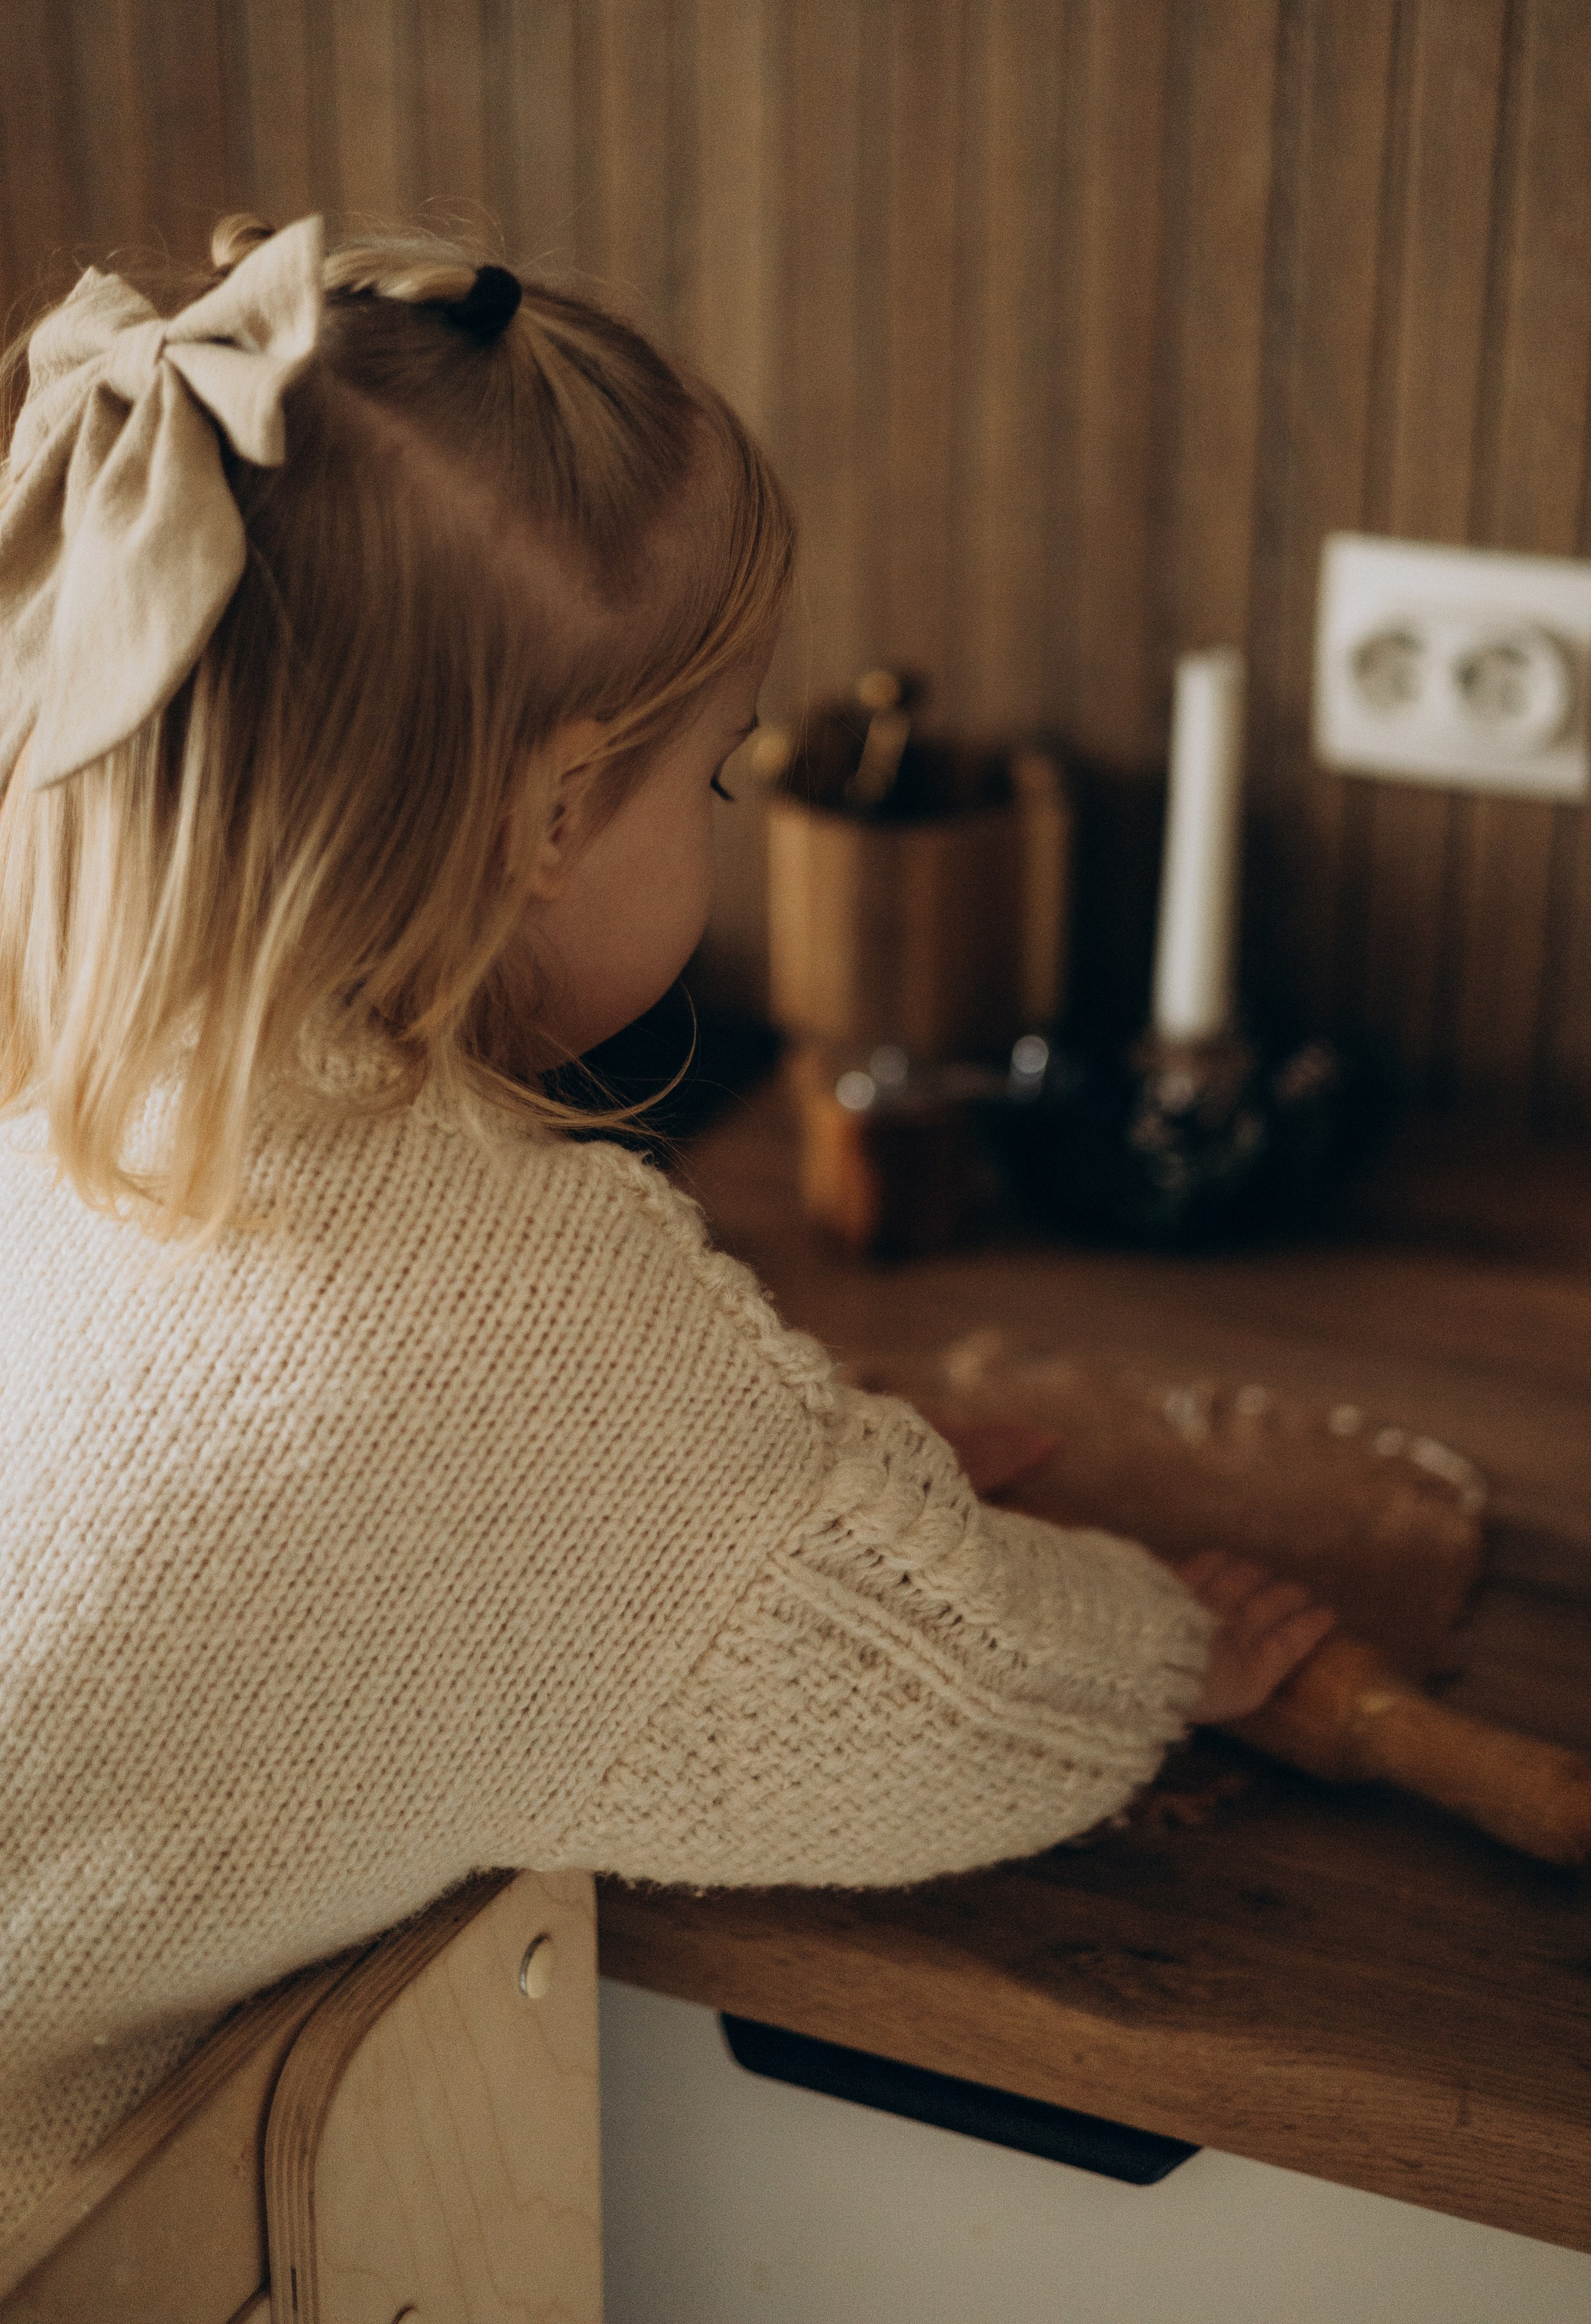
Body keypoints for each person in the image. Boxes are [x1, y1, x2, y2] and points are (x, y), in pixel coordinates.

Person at [0, 214, 1332, 2239]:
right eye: (713, 780)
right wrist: (1176, 1653)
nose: (717, 823)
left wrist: (771, 1482)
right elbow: (948, 1698)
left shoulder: (77, 1090)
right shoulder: (523, 1306)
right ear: (551, 816)